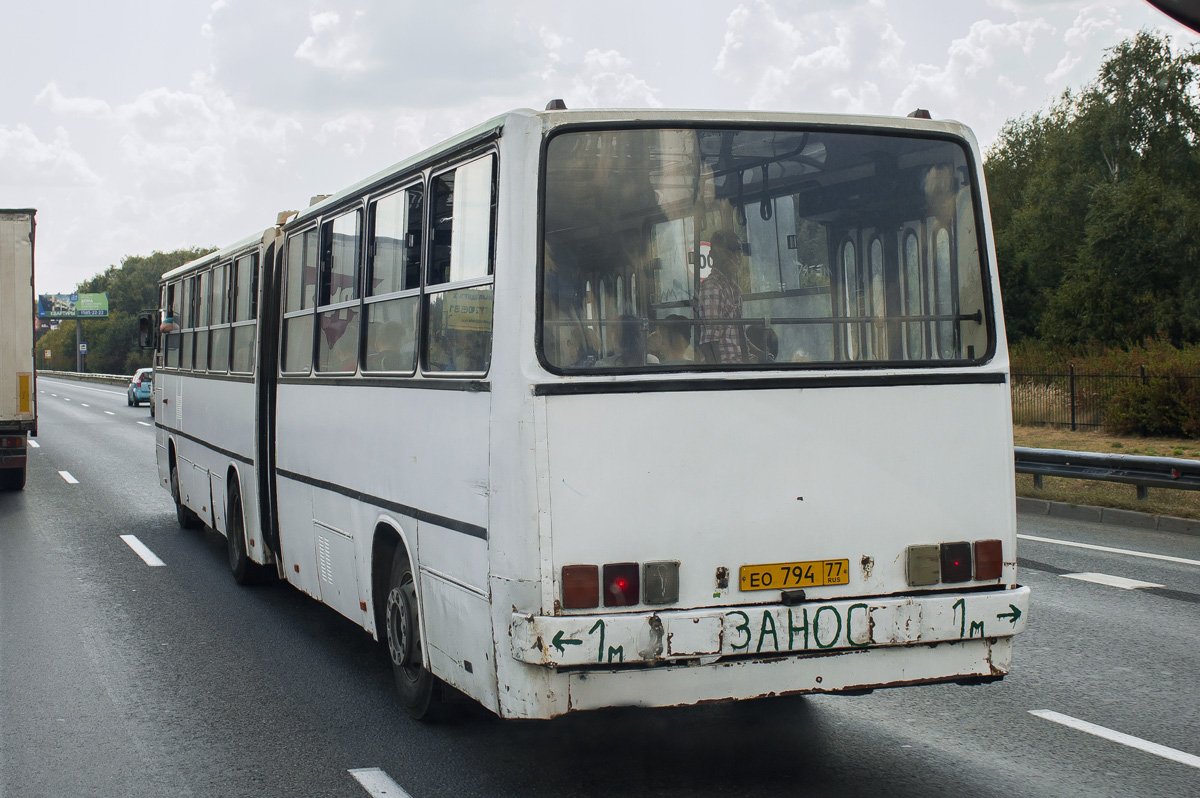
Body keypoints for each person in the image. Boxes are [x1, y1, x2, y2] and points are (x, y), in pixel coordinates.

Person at [697, 230, 745, 364]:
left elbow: (741, 338)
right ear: (713, 255)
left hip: (740, 363)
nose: (736, 257)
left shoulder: (734, 288)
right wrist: (723, 376)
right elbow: (709, 344)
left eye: (739, 251)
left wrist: (763, 355)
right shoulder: (712, 288)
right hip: (727, 366)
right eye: (729, 251)